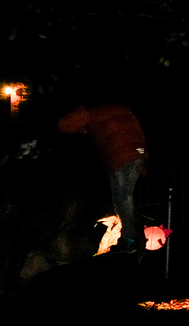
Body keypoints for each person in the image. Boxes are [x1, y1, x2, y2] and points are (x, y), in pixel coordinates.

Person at [58, 97, 148, 254]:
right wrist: (143, 156)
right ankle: (135, 236)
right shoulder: (123, 108)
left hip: (118, 158)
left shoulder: (92, 113)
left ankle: (130, 239)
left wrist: (82, 112)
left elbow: (64, 126)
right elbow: (138, 132)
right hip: (137, 154)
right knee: (128, 197)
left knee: (122, 198)